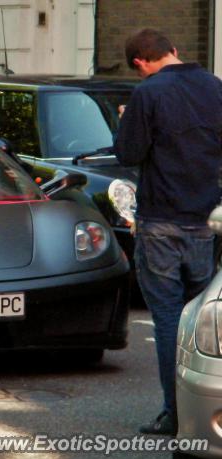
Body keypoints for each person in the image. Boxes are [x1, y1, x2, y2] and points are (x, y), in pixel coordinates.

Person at [114, 29, 222, 435]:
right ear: (173, 51)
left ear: (141, 62)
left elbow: (128, 153)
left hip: (160, 219)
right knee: (203, 324)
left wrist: (126, 123)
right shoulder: (214, 86)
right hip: (205, 219)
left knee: (168, 320)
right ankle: (204, 410)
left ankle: (174, 413)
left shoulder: (148, 93)